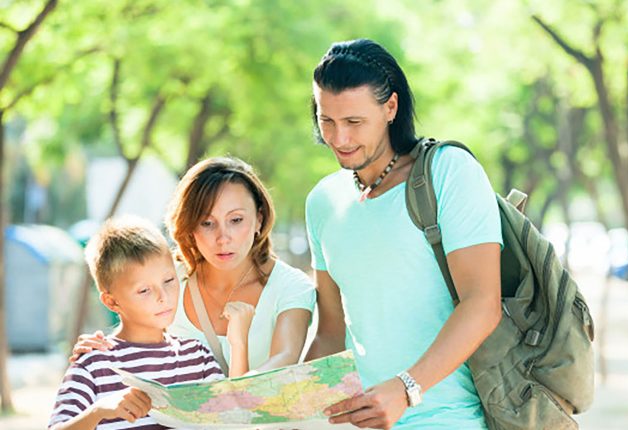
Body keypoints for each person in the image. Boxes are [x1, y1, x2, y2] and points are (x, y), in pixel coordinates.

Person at [305, 39, 503, 429]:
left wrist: (406, 388)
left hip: (448, 419)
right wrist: (286, 410)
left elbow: (482, 303)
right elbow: (330, 333)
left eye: (354, 122)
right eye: (327, 120)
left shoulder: (448, 172)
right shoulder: (322, 202)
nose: (339, 138)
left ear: (391, 107)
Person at [71, 157, 316, 373]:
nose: (223, 237)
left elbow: (284, 359)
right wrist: (101, 350)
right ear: (190, 227)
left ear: (258, 220)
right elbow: (134, 336)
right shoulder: (169, 278)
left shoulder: (292, 287)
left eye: (236, 220)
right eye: (207, 223)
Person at [49, 216, 252, 429]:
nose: (163, 296)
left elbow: (237, 420)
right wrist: (98, 411)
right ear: (112, 302)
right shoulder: (95, 364)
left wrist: (238, 344)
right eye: (144, 290)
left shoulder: (196, 357)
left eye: (169, 281)